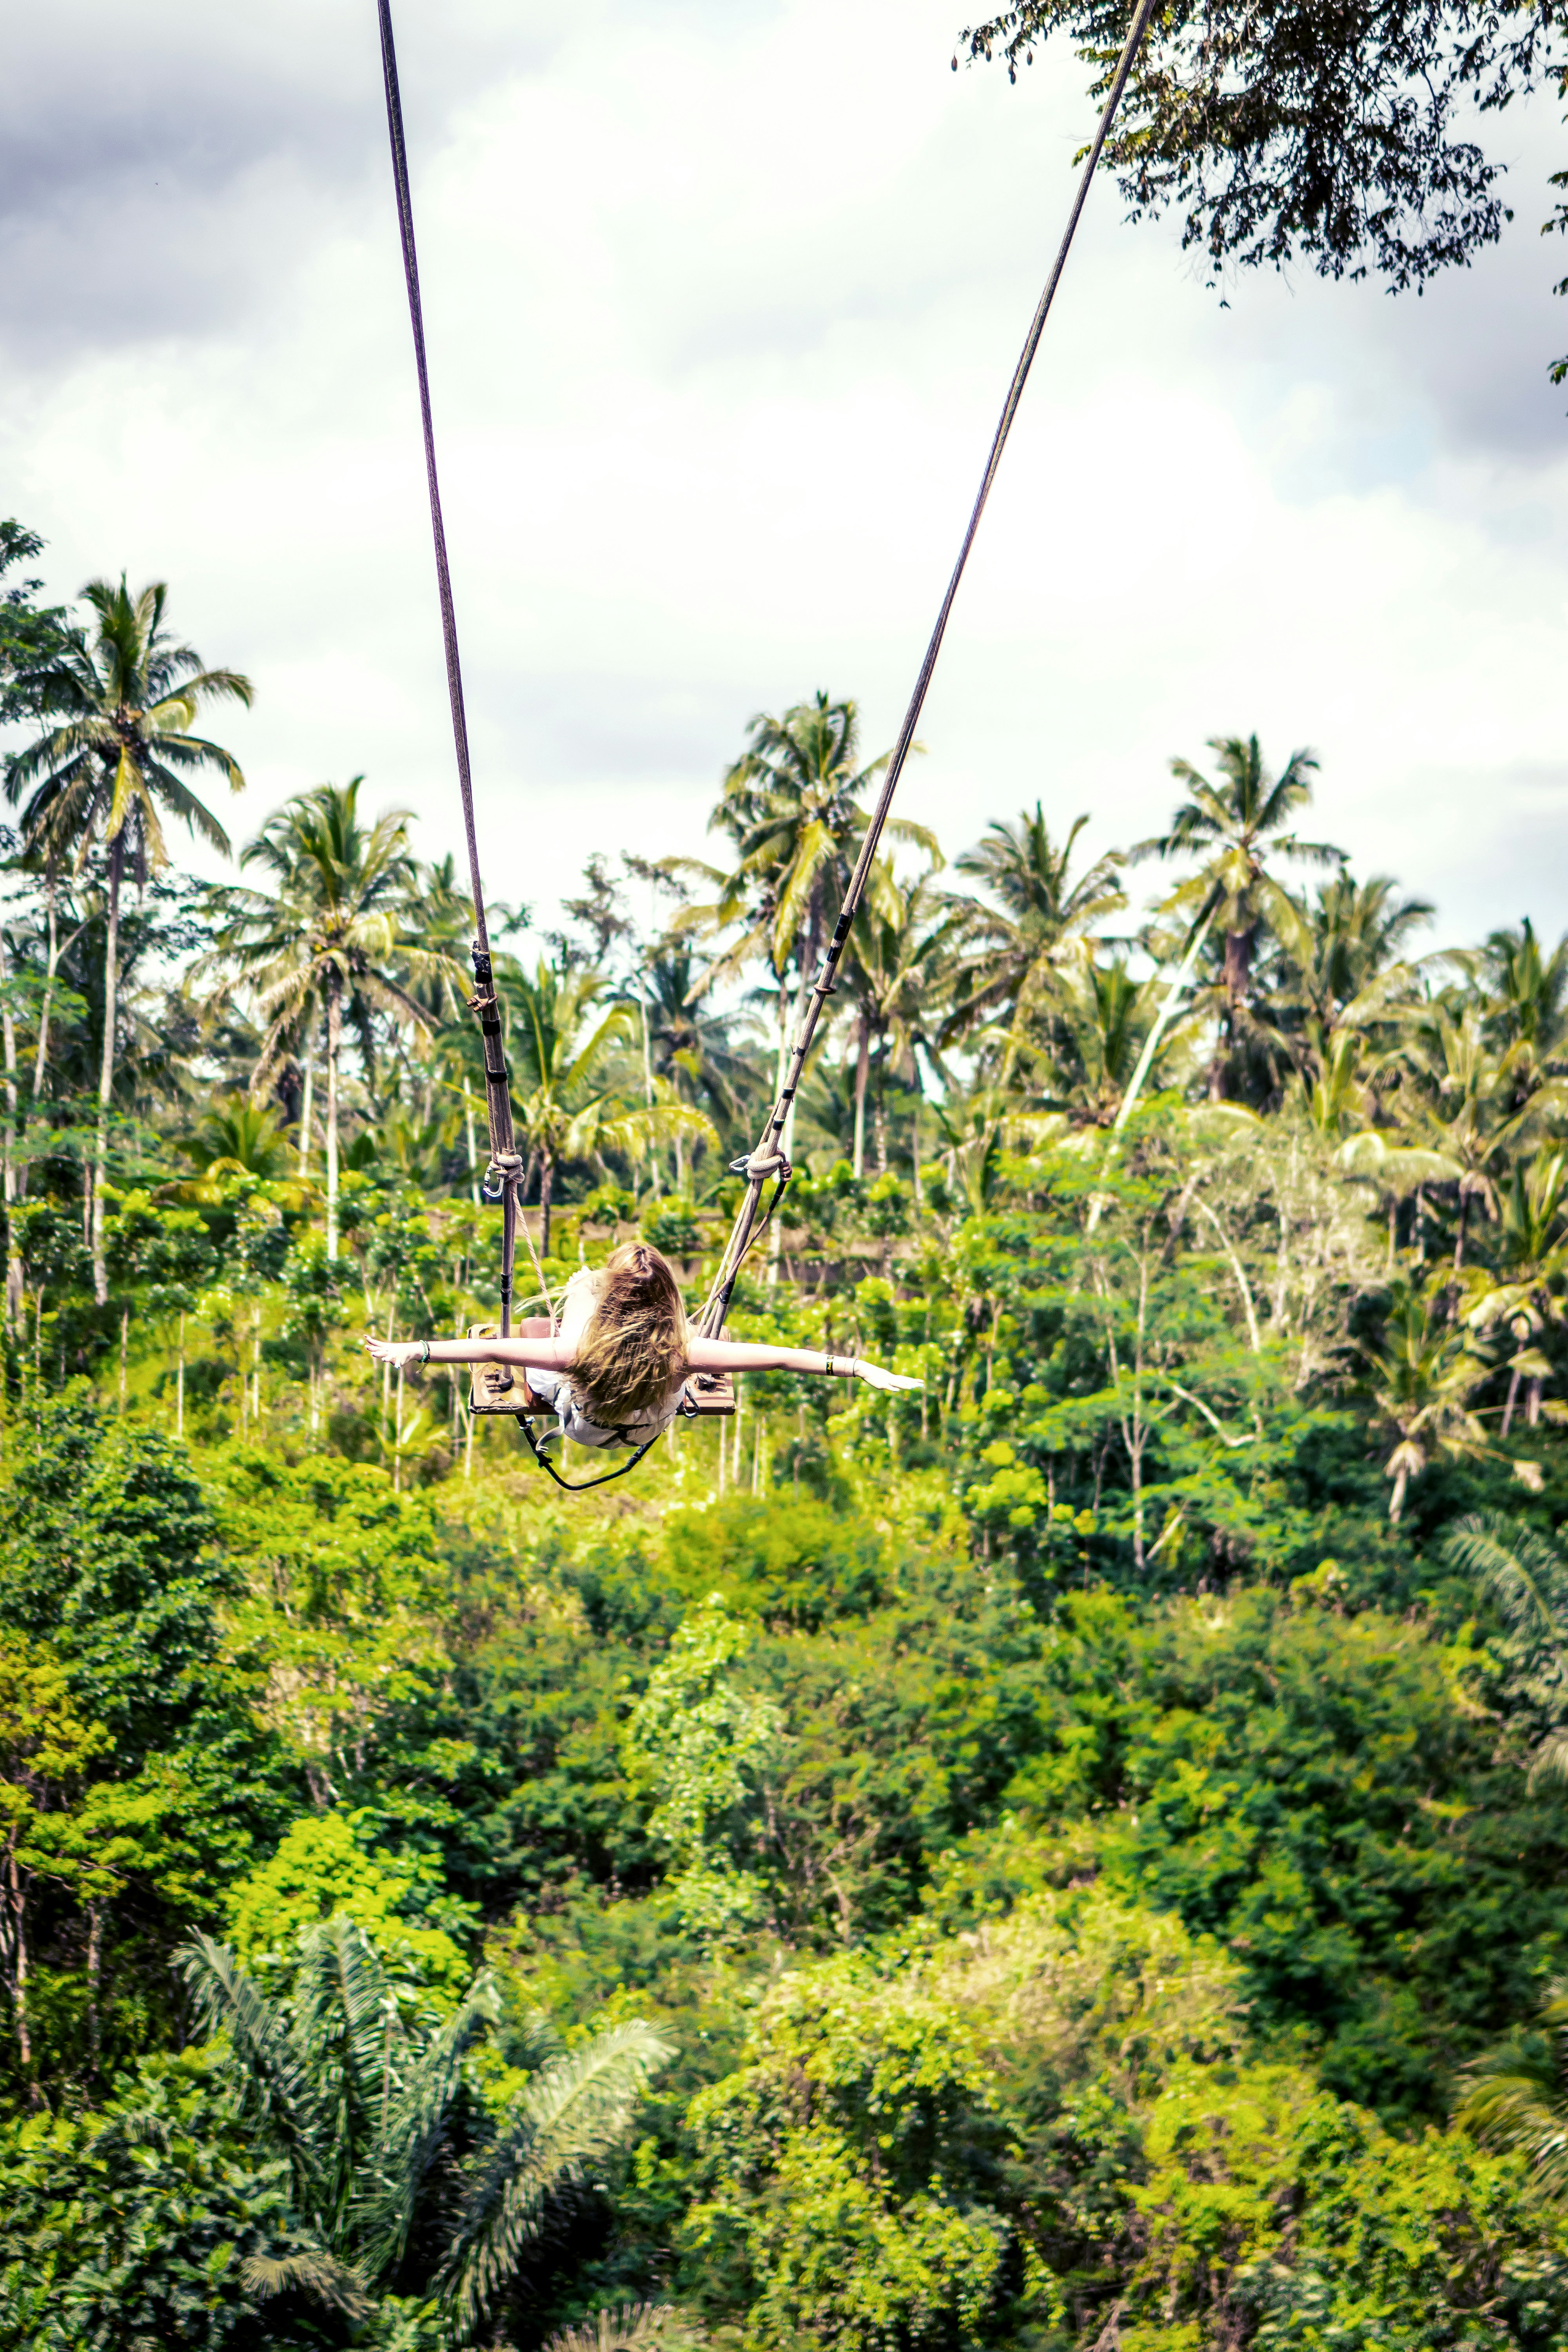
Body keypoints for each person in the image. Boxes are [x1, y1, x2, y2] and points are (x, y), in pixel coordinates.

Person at [363, 1238, 920, 1451]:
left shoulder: (577, 1352)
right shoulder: (685, 1353)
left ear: (616, 1300)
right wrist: (859, 1367)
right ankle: (609, 1294)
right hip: (647, 1427)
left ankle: (583, 1290)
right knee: (692, 1336)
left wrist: (417, 1350)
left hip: (585, 1428)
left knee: (540, 1323)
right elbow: (779, 1358)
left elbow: (489, 1351)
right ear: (665, 1297)